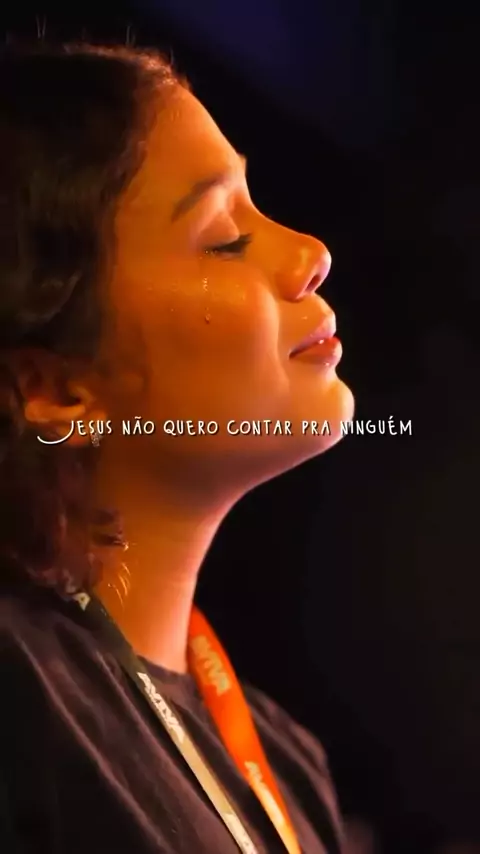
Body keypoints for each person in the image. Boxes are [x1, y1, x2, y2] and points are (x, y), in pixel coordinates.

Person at [0, 42, 354, 854]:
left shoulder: (286, 762)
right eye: (225, 238)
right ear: (53, 386)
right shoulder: (20, 708)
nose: (311, 254)